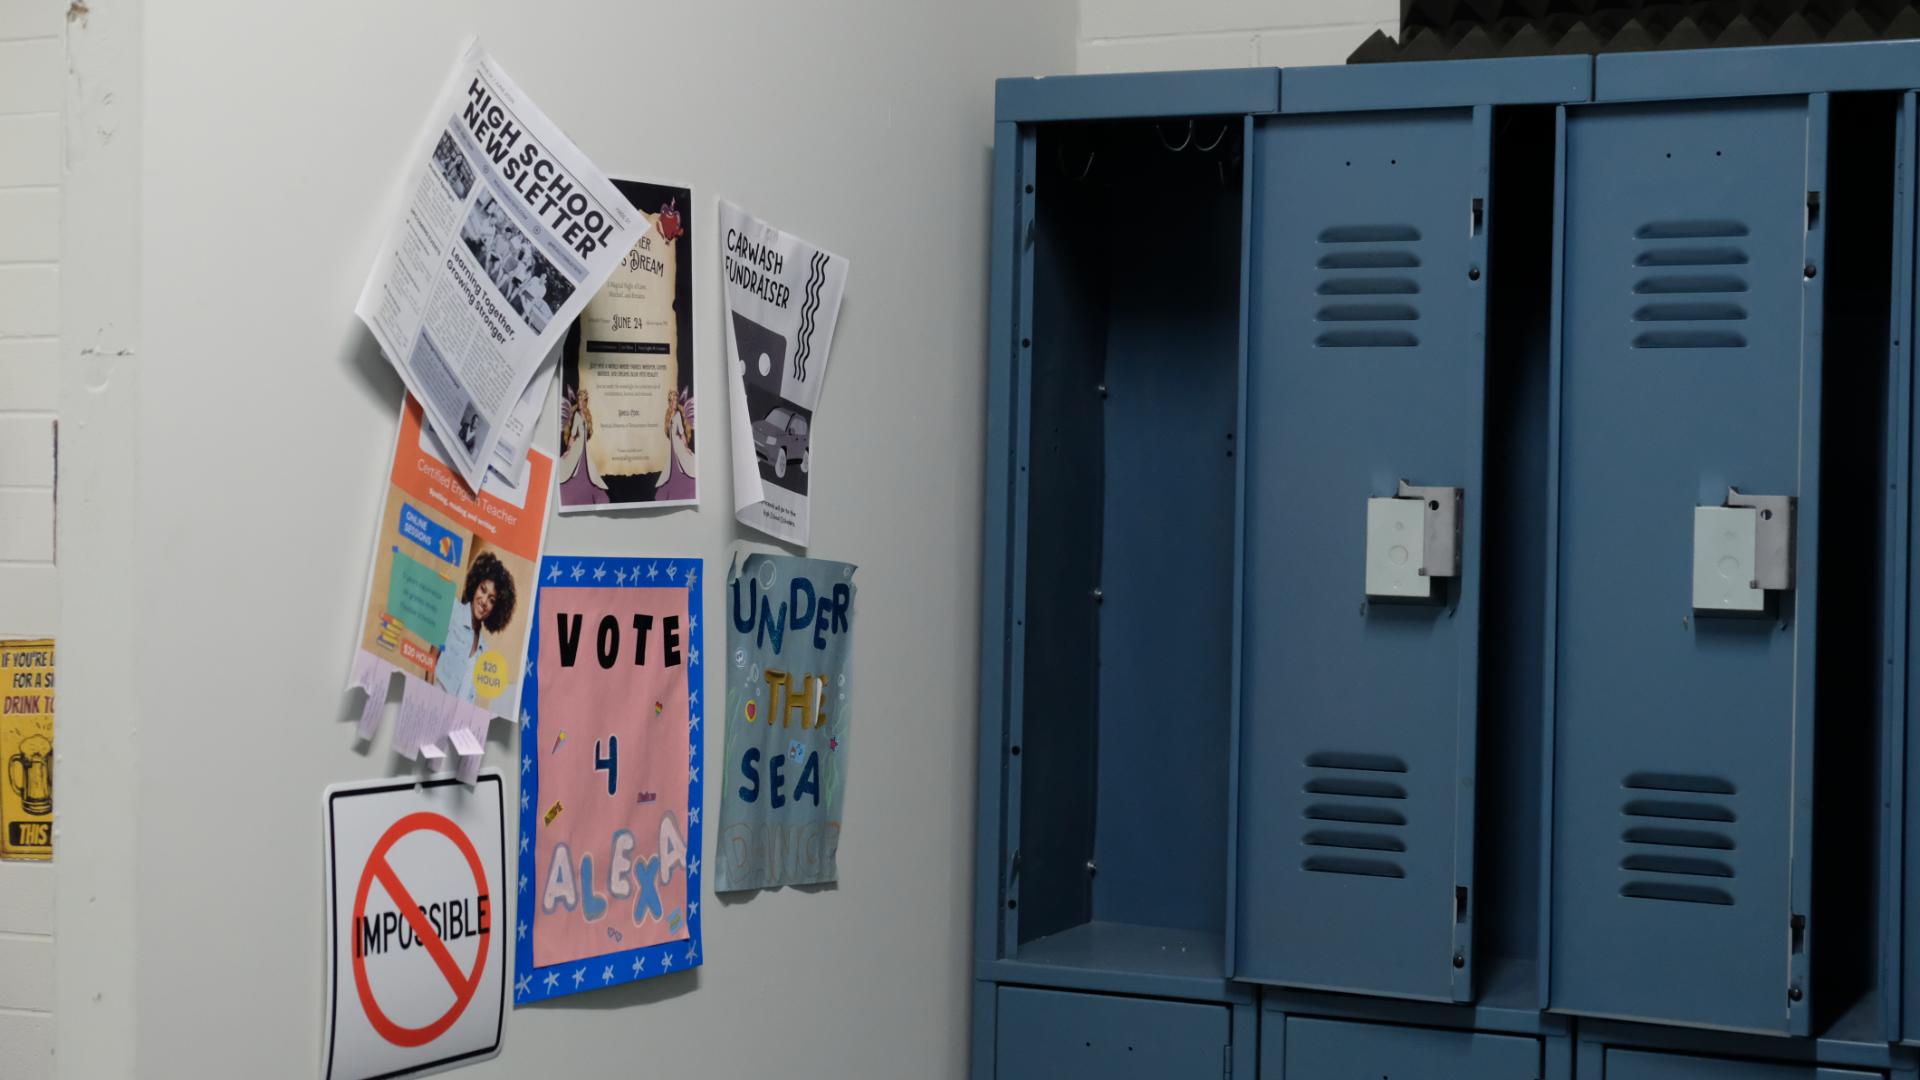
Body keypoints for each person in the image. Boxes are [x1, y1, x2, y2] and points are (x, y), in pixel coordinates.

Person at [431, 550, 517, 704]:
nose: (484, 601)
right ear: (475, 585)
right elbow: (430, 660)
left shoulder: (484, 648)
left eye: (491, 600)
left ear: (495, 608)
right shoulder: (452, 610)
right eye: (483, 590)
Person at [559, 385, 609, 505]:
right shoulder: (576, 415)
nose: (580, 403)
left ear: (585, 402)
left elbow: (589, 433)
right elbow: (572, 435)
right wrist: (569, 449)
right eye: (579, 400)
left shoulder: (587, 415)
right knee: (575, 467)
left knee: (588, 468)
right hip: (578, 447)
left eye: (582, 400)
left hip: (585, 447)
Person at [653, 388, 697, 502]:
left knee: (682, 462)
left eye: (676, 401)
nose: (674, 403)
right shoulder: (669, 414)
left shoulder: (677, 414)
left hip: (678, 444)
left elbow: (682, 432)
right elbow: (667, 431)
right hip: (672, 445)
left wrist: (686, 447)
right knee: (673, 465)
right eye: (672, 401)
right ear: (669, 402)